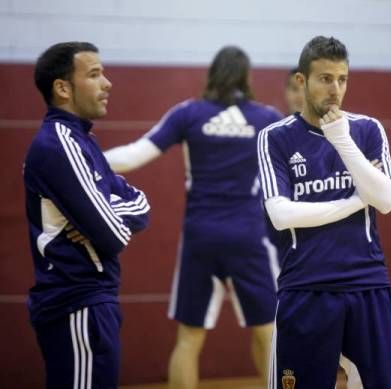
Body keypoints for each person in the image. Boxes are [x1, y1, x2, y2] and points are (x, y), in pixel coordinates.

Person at [104, 46, 282, 388]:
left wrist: (81, 161)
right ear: (247, 77)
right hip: (248, 237)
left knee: (188, 339)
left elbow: (134, 155)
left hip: (200, 238)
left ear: (212, 74)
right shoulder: (267, 118)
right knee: (269, 334)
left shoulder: (189, 113)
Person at [258, 36, 391, 389]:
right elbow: (281, 214)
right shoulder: (275, 138)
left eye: (342, 79)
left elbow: (386, 199)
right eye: (325, 79)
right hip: (306, 288)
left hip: (367, 284)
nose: (335, 89)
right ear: (301, 82)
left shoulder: (367, 130)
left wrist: (341, 139)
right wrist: (354, 201)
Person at [24, 41, 151, 389]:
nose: (107, 83)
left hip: (92, 302)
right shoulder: (58, 145)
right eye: (95, 74)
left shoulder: (84, 142)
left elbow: (142, 205)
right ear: (62, 88)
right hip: (76, 303)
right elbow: (111, 236)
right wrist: (109, 223)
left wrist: (105, 217)